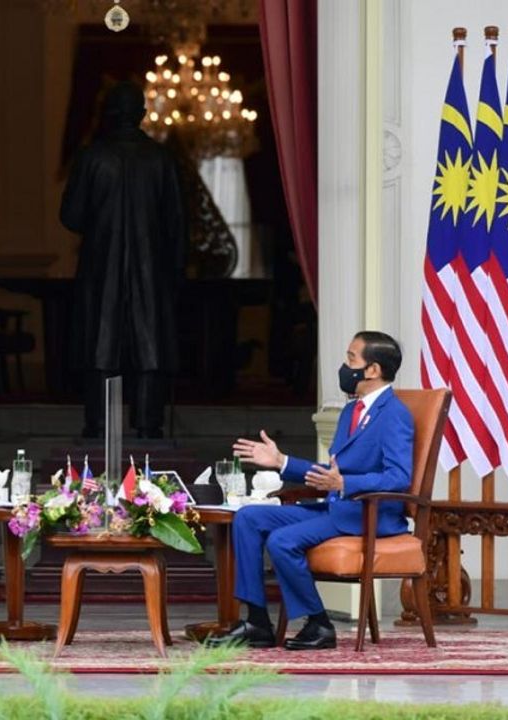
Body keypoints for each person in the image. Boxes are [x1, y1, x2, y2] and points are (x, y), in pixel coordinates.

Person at [210, 331, 414, 650]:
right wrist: (281, 462)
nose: (345, 367)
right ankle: (257, 622)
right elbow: (328, 476)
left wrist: (346, 484)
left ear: (372, 370)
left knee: (282, 540)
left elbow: (399, 477)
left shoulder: (395, 414)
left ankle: (318, 624)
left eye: (351, 359)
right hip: (338, 508)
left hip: (368, 515)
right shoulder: (351, 410)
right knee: (248, 518)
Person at [60, 80, 187, 439]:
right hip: (152, 268)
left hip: (102, 266)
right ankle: (149, 424)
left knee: (101, 342)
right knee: (151, 345)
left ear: (109, 114)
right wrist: (176, 271)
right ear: (142, 115)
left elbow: (70, 216)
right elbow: (177, 222)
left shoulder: (92, 157)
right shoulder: (161, 158)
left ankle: (98, 424)